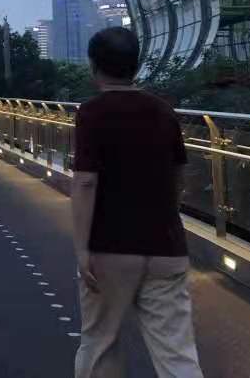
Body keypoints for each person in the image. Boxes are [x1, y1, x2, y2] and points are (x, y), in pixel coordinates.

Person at [72, 27, 202, 378]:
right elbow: (178, 174)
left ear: (94, 66)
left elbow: (86, 181)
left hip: (109, 247)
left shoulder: (92, 113)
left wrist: (82, 248)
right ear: (136, 64)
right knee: (177, 354)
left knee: (100, 344)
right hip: (166, 247)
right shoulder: (163, 111)